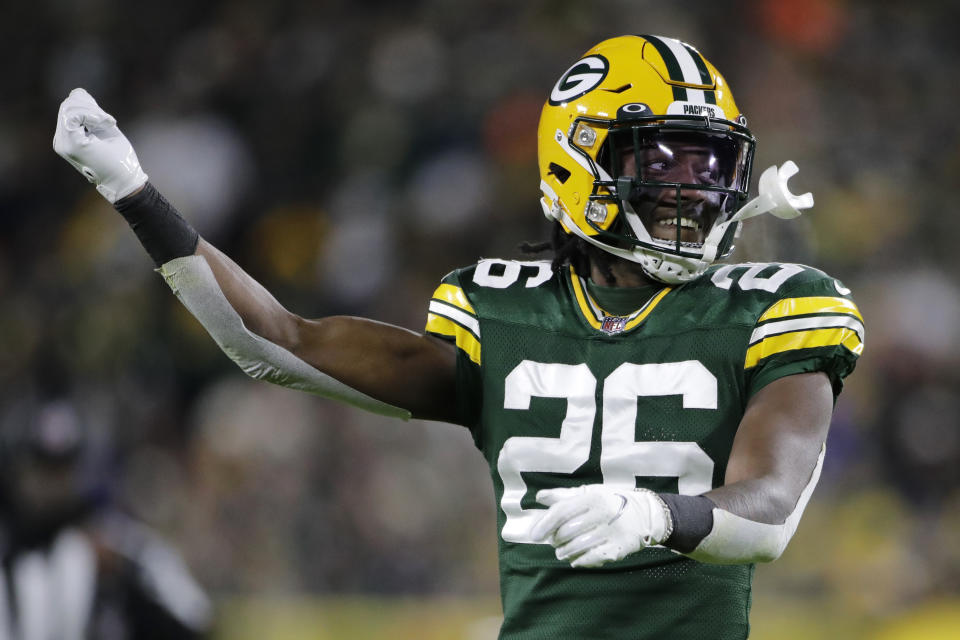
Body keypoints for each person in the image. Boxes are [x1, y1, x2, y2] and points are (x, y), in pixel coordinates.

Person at [53, 34, 863, 640]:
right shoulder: (500, 312)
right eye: (666, 163)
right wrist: (133, 189)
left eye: (711, 166)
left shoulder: (773, 306)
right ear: (579, 166)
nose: (696, 192)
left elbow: (771, 514)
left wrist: (657, 516)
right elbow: (277, 342)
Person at [0, 398, 212, 639]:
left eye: (64, 468)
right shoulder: (8, 548)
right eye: (43, 467)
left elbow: (195, 617)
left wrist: (125, 577)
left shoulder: (121, 543)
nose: (53, 483)